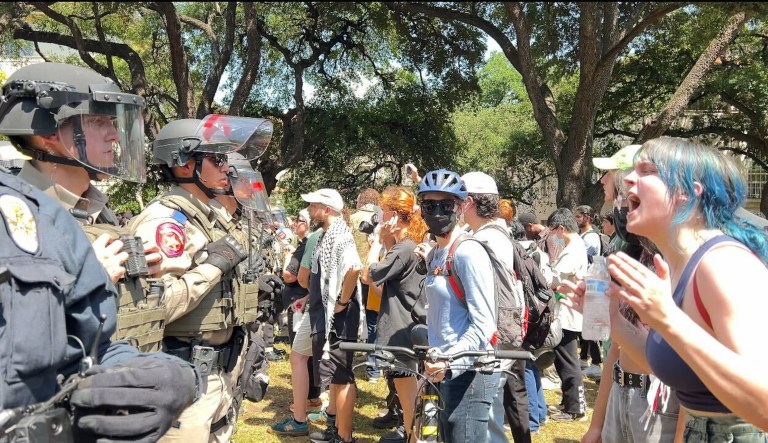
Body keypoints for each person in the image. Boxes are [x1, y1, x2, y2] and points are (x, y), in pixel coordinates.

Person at [0, 169, 198, 443]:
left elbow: (80, 343)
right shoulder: (31, 214)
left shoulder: (43, 212)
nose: (115, 134)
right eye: (96, 122)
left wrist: (176, 375)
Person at [603, 138, 768, 439]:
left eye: (647, 170)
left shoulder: (723, 264)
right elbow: (673, 369)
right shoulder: (677, 265)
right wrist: (613, 321)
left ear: (688, 192)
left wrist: (668, 318)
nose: (627, 178)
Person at [0, 62, 167, 351]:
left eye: (112, 123)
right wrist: (91, 278)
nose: (113, 135)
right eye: (98, 122)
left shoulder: (98, 211)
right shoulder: (12, 219)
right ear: (50, 134)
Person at [130, 115, 272, 442]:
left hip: (217, 373)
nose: (226, 167)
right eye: (216, 158)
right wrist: (214, 267)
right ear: (184, 164)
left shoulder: (208, 219)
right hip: (182, 377)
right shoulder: (167, 222)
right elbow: (152, 307)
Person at [577, 143, 679, 443]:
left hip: (656, 404)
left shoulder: (678, 260)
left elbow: (669, 362)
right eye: (622, 199)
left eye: (627, 199)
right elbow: (618, 348)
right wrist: (597, 423)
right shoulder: (639, 253)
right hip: (623, 392)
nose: (620, 208)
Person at [414, 169, 499, 443]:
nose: (437, 211)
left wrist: (449, 360)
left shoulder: (467, 252)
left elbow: (485, 322)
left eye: (445, 205)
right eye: (429, 205)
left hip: (470, 372)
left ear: (461, 206)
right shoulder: (438, 252)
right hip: (441, 368)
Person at [460, 172, 530, 443]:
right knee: (489, 418)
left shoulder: (486, 240)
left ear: (468, 202)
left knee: (485, 424)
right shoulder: (495, 233)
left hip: (488, 344)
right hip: (495, 341)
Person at [363, 185, 428, 443]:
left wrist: (377, 242)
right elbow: (384, 288)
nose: (379, 218)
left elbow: (368, 275)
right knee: (412, 396)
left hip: (402, 331)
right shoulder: (409, 245)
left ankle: (414, 440)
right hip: (412, 326)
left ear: (392, 215)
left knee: (409, 397)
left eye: (383, 212)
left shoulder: (404, 249)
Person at [302, 188, 363, 443]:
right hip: (327, 318)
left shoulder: (340, 236)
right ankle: (337, 431)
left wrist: (342, 302)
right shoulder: (328, 235)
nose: (309, 211)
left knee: (342, 377)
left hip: (337, 320)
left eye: (314, 206)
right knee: (335, 378)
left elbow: (354, 269)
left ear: (327, 210)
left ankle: (344, 437)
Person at [546, 208, 588, 422]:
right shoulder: (575, 246)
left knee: (568, 360)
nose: (552, 236)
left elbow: (556, 279)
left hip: (568, 312)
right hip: (568, 310)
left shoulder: (573, 249)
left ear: (561, 229)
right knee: (564, 360)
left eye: (553, 231)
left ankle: (575, 408)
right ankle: (568, 402)